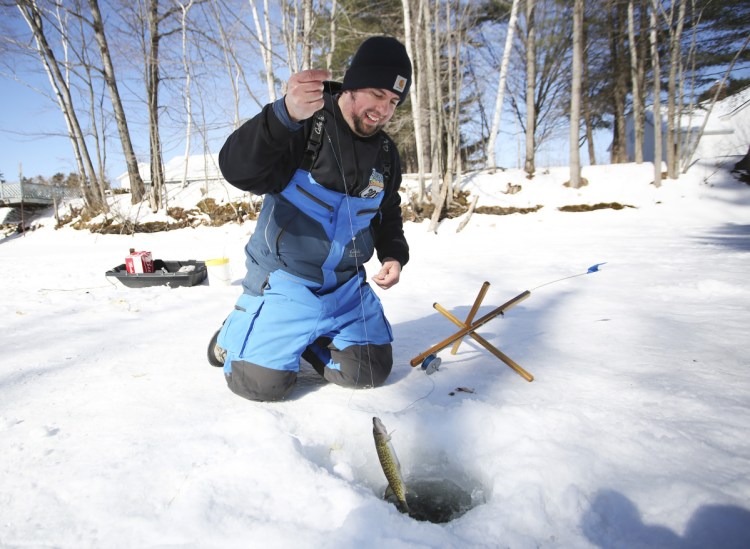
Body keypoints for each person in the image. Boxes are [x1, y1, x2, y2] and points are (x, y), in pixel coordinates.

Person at [209, 36, 412, 402]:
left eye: (394, 102)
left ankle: (309, 338)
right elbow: (236, 170)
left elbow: (388, 210)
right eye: (377, 94)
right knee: (261, 385)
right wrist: (282, 115)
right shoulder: (304, 124)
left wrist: (393, 254)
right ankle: (240, 327)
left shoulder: (386, 154)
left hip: (345, 289)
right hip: (286, 282)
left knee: (369, 372)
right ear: (352, 84)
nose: (384, 110)